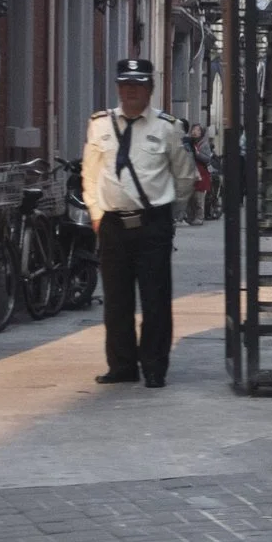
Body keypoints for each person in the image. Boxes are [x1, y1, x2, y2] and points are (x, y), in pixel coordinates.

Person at [82, 58, 197, 388]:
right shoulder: (100, 124)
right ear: (118, 87)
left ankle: (154, 367)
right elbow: (90, 173)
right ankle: (121, 366)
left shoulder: (167, 127)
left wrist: (168, 216)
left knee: (155, 299)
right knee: (116, 302)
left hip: (152, 224)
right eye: (125, 84)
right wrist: (95, 213)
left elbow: (185, 176)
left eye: (138, 84)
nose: (131, 90)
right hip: (112, 224)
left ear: (150, 88)